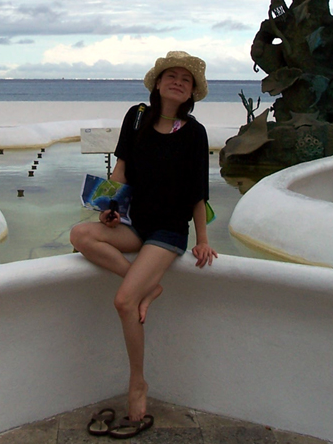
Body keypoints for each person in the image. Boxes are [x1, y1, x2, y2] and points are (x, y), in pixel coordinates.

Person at [70, 50, 218, 433]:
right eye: (172, 76)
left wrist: (202, 238)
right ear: (158, 83)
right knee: (80, 234)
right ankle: (148, 286)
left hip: (168, 231)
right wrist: (108, 208)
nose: (178, 82)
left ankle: (138, 383)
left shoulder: (194, 133)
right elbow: (121, 170)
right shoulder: (136, 117)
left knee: (124, 301)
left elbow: (198, 192)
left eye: (186, 80)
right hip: (136, 223)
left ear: (191, 92)